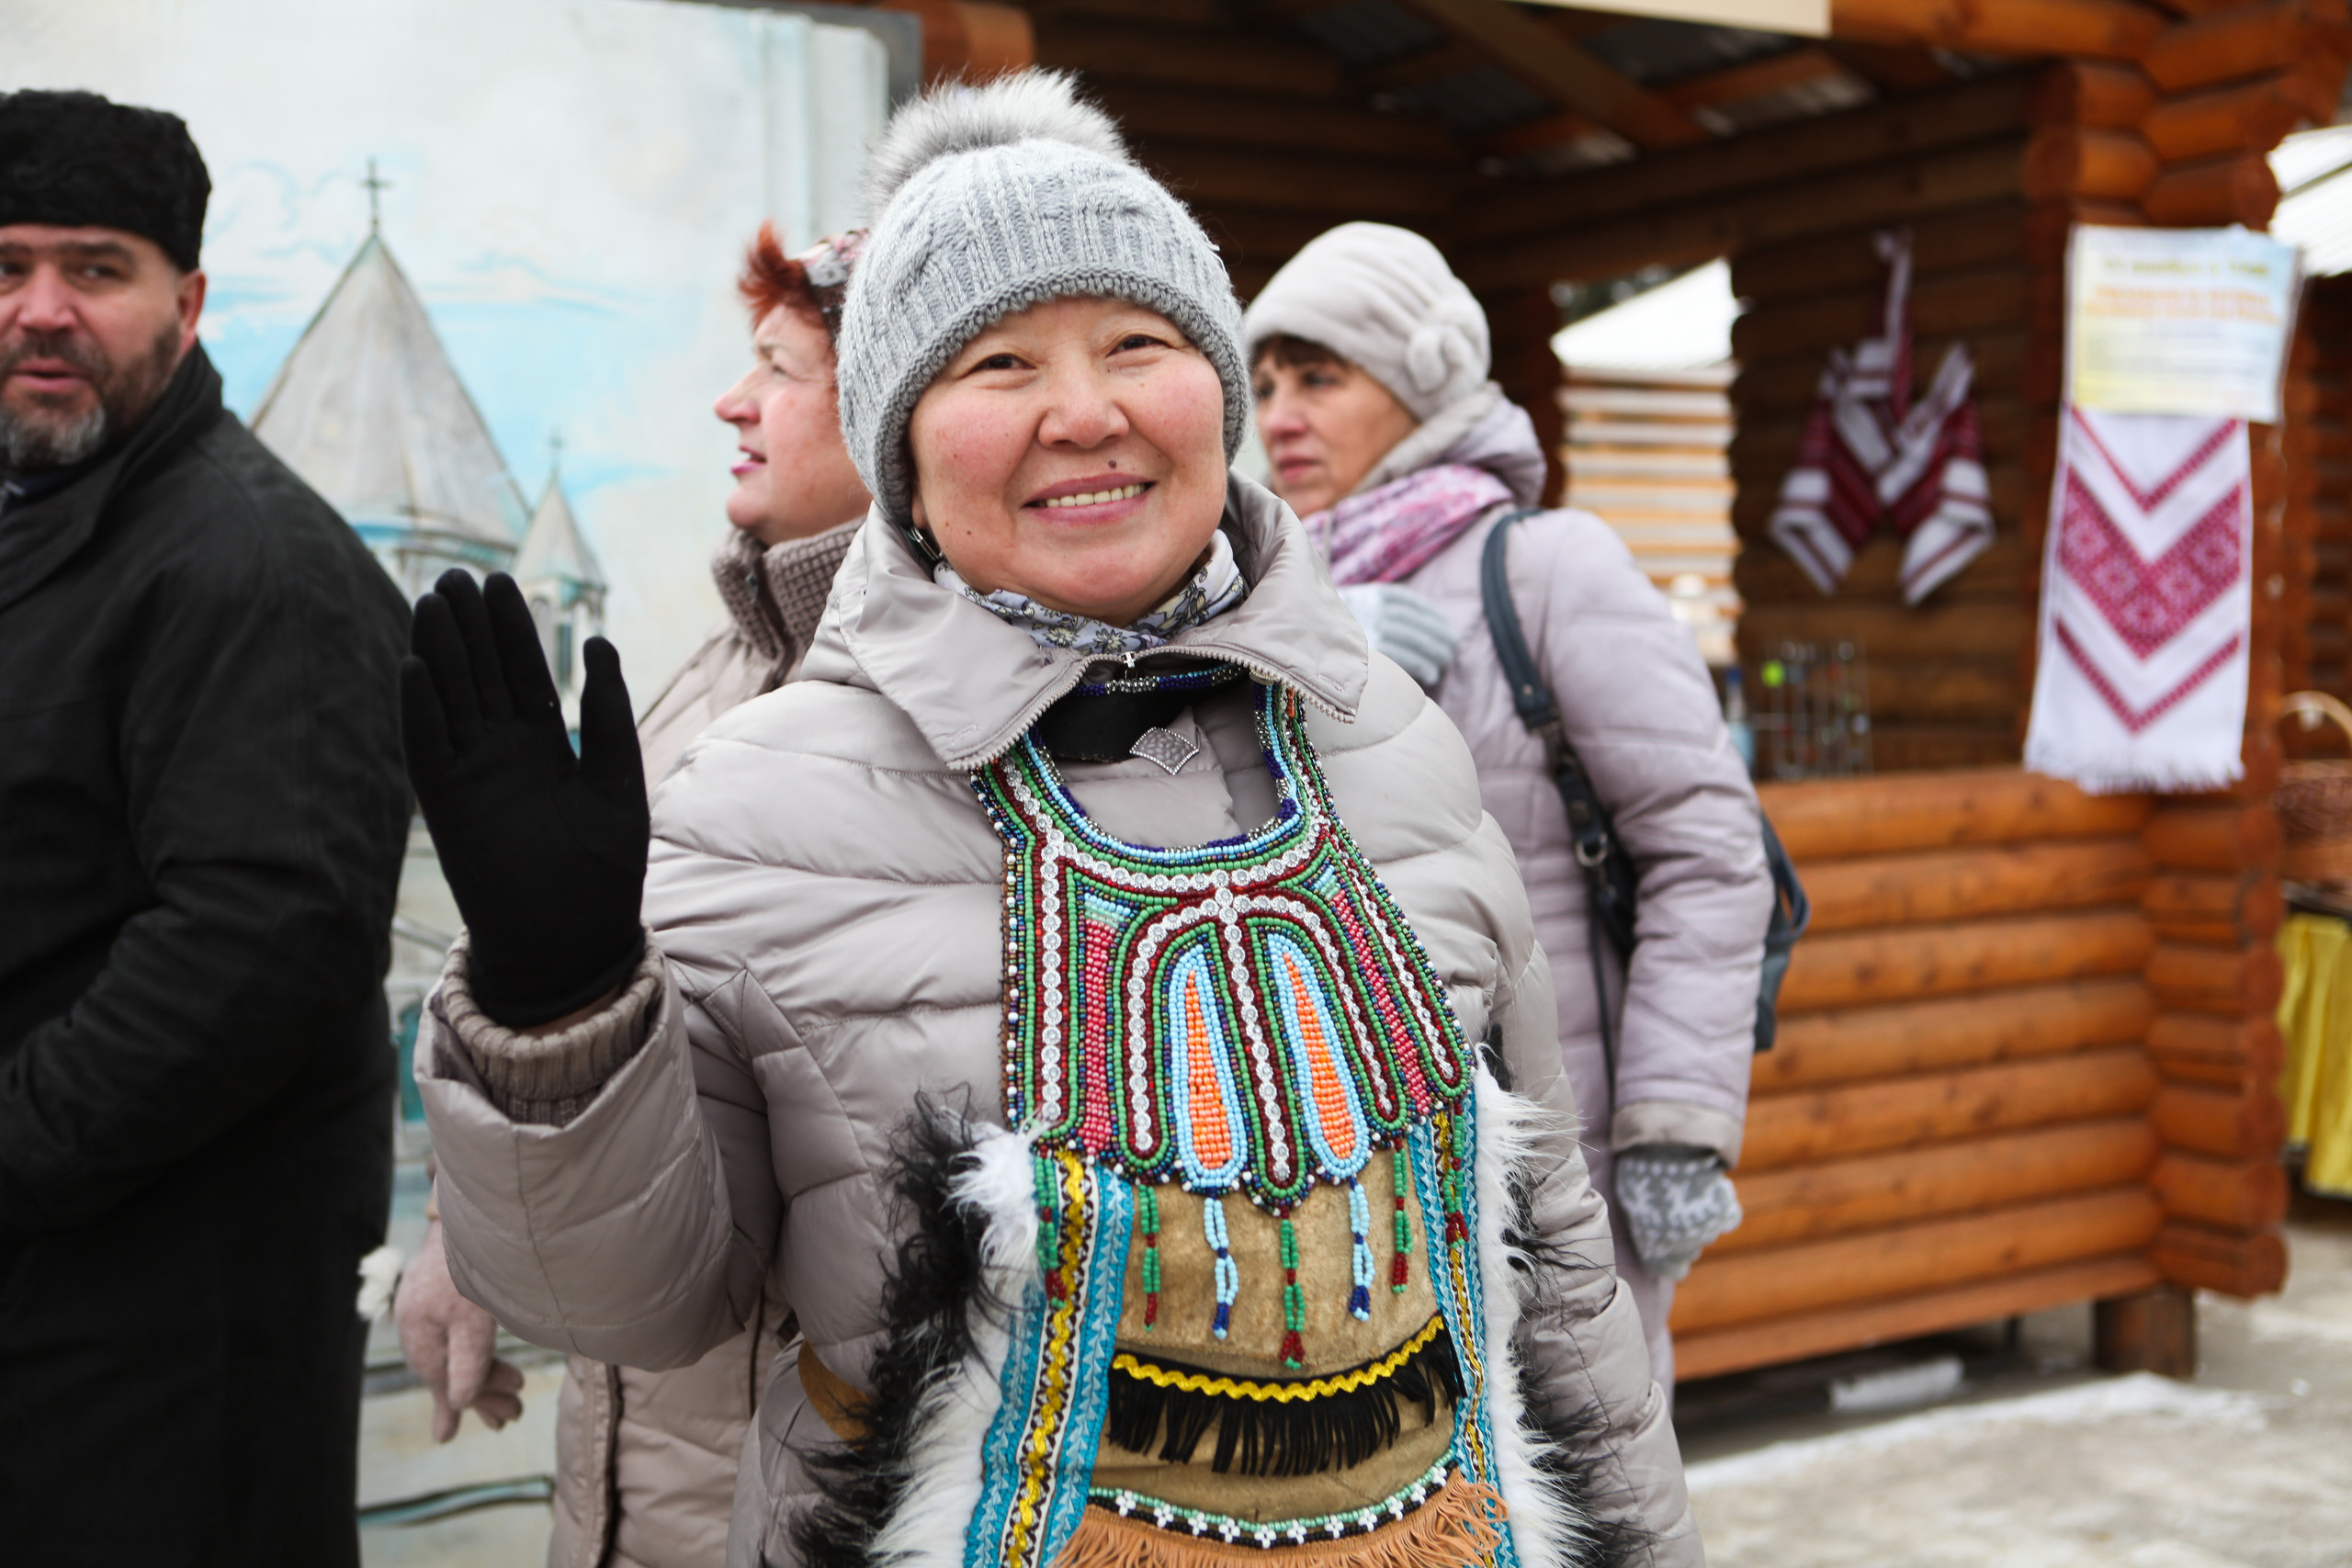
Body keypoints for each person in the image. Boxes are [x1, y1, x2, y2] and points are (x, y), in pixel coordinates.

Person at [410, 72, 1698, 1568]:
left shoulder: (1390, 745)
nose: (1084, 412)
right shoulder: (761, 802)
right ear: (902, 445)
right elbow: (622, 1305)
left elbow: (1562, 1306)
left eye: (1141, 344)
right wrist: (558, 1014)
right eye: (998, 361)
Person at [390, 224, 872, 1568]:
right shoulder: (719, 666)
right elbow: (604, 1011)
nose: (733, 400)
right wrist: (465, 1228)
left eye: (779, 368)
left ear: (899, 398)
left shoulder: (926, 713)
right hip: (628, 1468)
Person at [1245, 222, 1771, 1391]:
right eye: (1266, 382)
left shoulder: (1545, 568)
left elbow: (1708, 850)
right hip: (1328, 1161)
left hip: (1546, 1166)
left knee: (1585, 1499)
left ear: (1424, 377)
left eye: (1320, 377)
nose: (1280, 414)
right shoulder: (1257, 600)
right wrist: (1315, 660)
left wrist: (1675, 1129)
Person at [0, 91, 410, 1565]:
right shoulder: (52, 517)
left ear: (184, 298)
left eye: (93, 270)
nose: (42, 311)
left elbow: (258, 940)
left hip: (157, 1357)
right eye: (6, 267)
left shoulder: (249, 561)